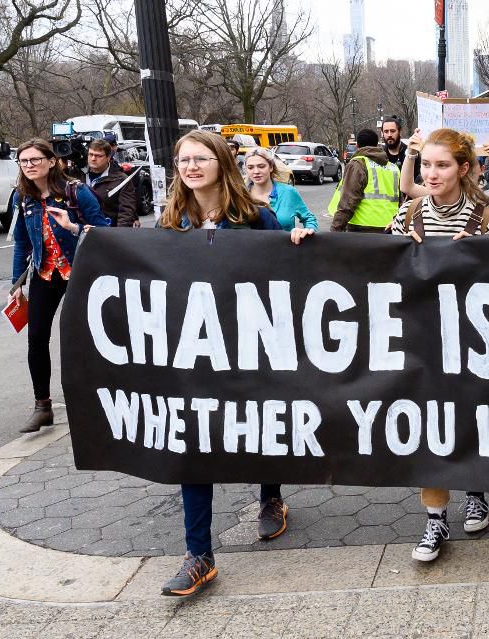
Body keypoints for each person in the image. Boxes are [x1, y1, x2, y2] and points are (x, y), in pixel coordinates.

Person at [155, 130, 290, 597]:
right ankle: (199, 555)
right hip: (196, 352)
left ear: (221, 163)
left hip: (252, 347)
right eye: (182, 160)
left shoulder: (256, 218)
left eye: (200, 159)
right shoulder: (171, 222)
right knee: (193, 443)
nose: (190, 167)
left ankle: (270, 496)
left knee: (259, 423)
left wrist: (299, 241)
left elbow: (292, 276)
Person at [398, 129, 489, 562]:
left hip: (473, 340)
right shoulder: (409, 212)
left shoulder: (483, 215)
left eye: (442, 165)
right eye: (426, 164)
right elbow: (379, 270)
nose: (432, 172)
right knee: (430, 427)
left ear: (463, 169)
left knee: (471, 420)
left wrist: (483, 254)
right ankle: (435, 520)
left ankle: (476, 492)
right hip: (423, 341)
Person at [9, 139, 110, 433]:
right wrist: (18, 282)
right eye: (23, 161)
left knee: (84, 340)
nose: (29, 165)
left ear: (51, 161)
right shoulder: (22, 197)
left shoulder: (76, 192)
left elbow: (103, 231)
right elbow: (22, 243)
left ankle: (97, 404)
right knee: (37, 338)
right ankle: (43, 406)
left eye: (34, 160)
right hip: (45, 274)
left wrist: (72, 227)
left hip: (80, 273)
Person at [402, 130, 489, 216]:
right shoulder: (435, 194)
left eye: (442, 165)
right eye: (426, 164)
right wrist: (411, 152)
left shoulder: (481, 197)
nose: (432, 175)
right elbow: (406, 186)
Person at [329, 128, 401, 233]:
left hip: (361, 231)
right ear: (377, 145)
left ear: (357, 146)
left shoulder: (358, 164)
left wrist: (334, 231)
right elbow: (401, 202)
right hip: (390, 229)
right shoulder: (393, 168)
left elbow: (348, 202)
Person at [244, 146, 318, 232]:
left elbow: (309, 219)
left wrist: (308, 231)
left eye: (261, 166)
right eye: (250, 167)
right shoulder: (241, 196)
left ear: (271, 167)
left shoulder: (288, 192)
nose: (256, 171)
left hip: (285, 245)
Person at [83, 139, 138, 228]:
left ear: (108, 158)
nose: (93, 158)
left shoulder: (121, 180)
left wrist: (117, 236)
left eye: (98, 156)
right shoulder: (79, 175)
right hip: (79, 231)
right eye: (91, 154)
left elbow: (126, 212)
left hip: (107, 232)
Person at [381, 115, 420, 183]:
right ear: (382, 133)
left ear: (400, 132)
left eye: (392, 131)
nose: (389, 135)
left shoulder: (411, 154)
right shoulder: (379, 156)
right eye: (386, 131)